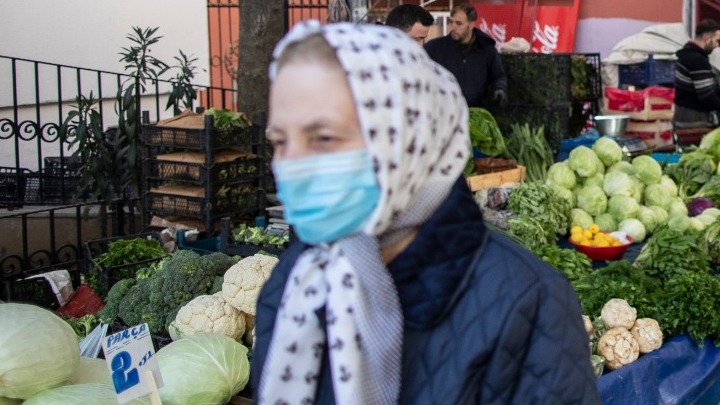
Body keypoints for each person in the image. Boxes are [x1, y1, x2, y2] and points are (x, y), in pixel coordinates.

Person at [252, 20, 600, 405]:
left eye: (324, 138)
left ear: (409, 139)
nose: (291, 164)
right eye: (280, 141)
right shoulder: (297, 278)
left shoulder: (529, 307)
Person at [424, 3, 508, 108]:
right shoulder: (434, 48)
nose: (453, 27)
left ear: (471, 25)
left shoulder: (487, 50)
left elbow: (498, 75)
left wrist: (499, 88)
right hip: (444, 114)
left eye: (459, 23)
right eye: (451, 22)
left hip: (477, 114)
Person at [674, 18, 720, 130]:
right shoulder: (697, 60)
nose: (717, 46)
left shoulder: (686, 55)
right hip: (695, 121)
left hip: (684, 116)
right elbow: (707, 96)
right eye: (717, 41)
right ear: (707, 39)